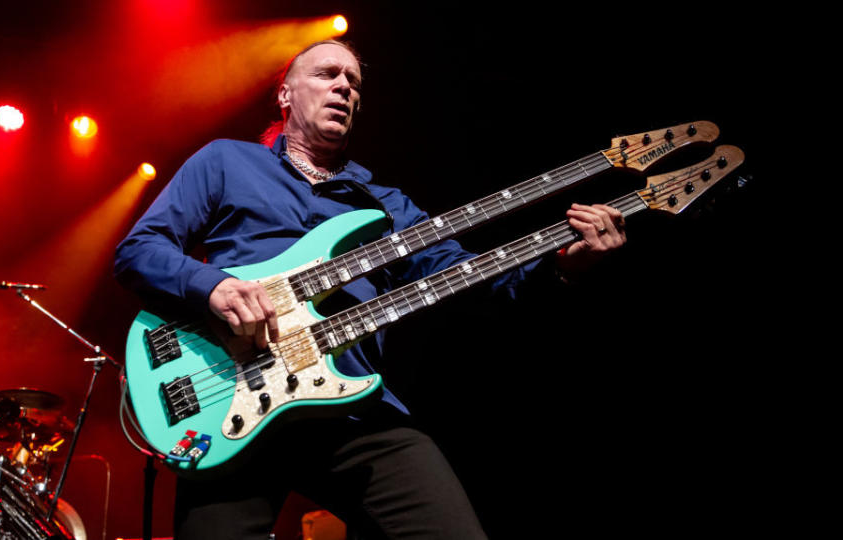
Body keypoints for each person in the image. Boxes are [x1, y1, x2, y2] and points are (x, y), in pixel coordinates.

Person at [115, 40, 626, 540]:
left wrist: (562, 267)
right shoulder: (226, 161)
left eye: (354, 82)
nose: (344, 87)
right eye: (326, 74)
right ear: (286, 95)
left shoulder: (386, 208)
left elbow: (469, 278)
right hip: (229, 396)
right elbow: (139, 249)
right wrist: (215, 285)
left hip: (352, 407)